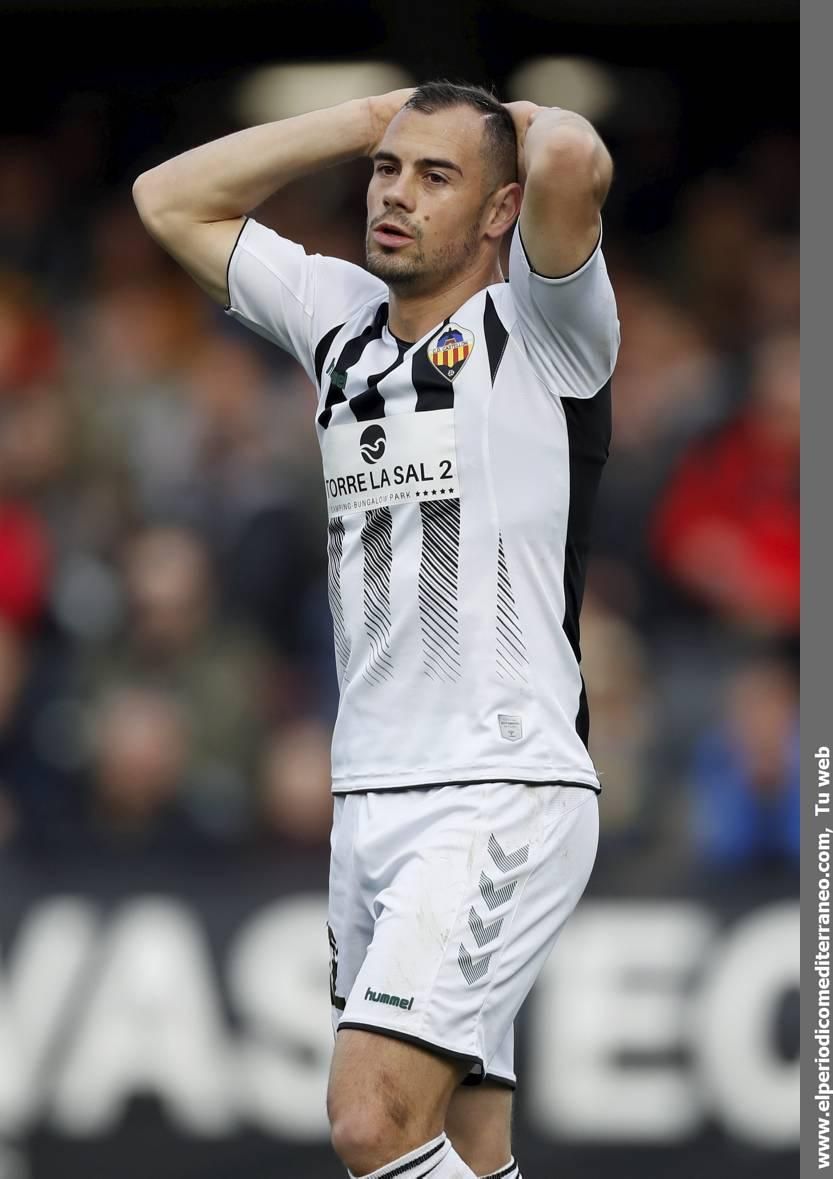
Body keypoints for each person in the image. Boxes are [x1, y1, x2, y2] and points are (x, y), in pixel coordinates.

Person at [133, 79, 619, 1179]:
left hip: (499, 787)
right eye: (385, 172)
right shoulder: (334, 316)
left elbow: (573, 165)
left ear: (498, 212)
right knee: (465, 1142)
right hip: (371, 801)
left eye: (434, 177)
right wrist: (362, 121)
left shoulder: (543, 329)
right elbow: (167, 199)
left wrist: (521, 124)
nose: (394, 195)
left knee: (368, 1121)